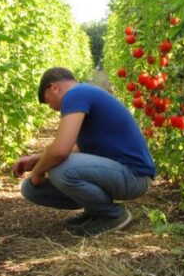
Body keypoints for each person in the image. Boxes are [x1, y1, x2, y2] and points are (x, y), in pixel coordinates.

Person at [13, 67, 155, 237]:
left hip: (134, 176)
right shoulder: (84, 95)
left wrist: (37, 171)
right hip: (119, 174)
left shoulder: (76, 94)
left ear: (53, 87)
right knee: (30, 189)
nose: (50, 107)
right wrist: (36, 159)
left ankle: (113, 215)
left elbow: (60, 151)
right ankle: (95, 211)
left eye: (47, 100)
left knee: (60, 169)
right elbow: (77, 148)